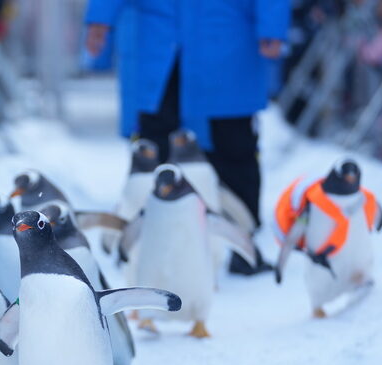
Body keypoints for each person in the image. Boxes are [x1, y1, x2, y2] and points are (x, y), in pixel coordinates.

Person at [85, 0, 290, 275]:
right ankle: (144, 246)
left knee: (234, 148)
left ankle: (243, 246)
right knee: (153, 152)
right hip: (163, 36)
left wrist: (272, 26)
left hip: (225, 33)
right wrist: (100, 19)